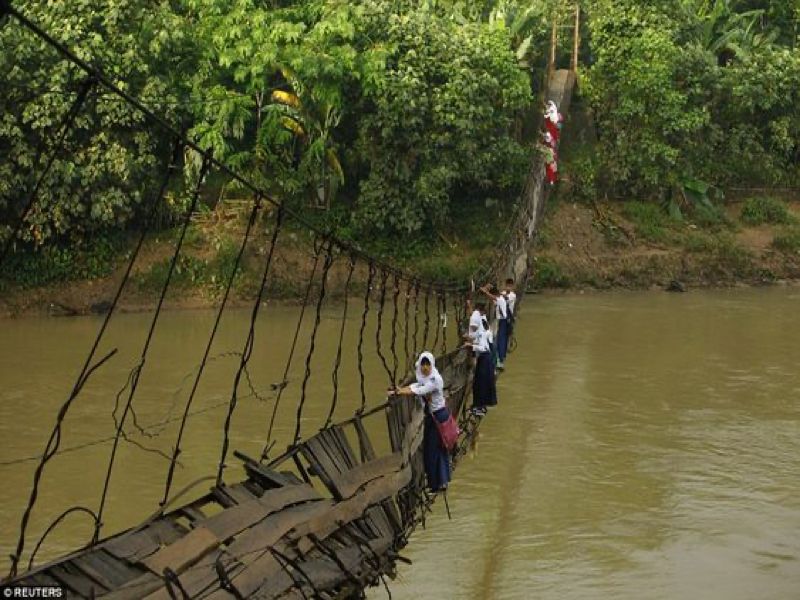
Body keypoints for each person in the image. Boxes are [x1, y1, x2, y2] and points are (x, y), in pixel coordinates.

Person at [391, 351, 451, 491]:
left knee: (431, 450)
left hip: (438, 416)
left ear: (432, 364)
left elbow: (420, 390)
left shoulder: (435, 379)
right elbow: (415, 386)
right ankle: (442, 481)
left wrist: (401, 392)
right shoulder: (425, 378)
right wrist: (399, 390)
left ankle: (435, 485)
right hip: (433, 416)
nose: (425, 367)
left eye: (427, 364)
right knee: (439, 449)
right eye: (423, 364)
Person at [463, 309, 496, 416]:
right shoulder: (483, 330)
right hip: (486, 359)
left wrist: (471, 346)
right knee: (481, 383)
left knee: (480, 383)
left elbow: (482, 347)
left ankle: (479, 408)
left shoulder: (481, 334)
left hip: (485, 359)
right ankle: (480, 406)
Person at [480, 284, 509, 370]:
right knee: (499, 340)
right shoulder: (500, 299)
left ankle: (498, 361)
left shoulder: (500, 299)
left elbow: (493, 297)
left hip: (502, 321)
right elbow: (492, 299)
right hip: (502, 321)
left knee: (498, 341)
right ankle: (499, 359)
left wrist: (485, 291)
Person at [502, 278, 517, 345]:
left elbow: (507, 299)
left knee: (509, 331)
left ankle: (509, 343)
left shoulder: (513, 295)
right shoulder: (502, 293)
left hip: (509, 316)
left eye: (510, 286)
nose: (508, 287)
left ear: (512, 286)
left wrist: (501, 295)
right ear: (505, 285)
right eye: (507, 285)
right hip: (502, 316)